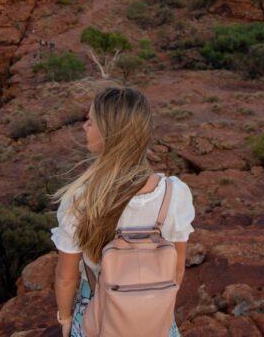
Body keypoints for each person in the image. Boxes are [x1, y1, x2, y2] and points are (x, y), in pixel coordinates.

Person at [50, 86, 195, 336]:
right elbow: (177, 269)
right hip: (155, 313)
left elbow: (66, 276)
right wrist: (150, 306)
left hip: (96, 306)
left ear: (110, 134)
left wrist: (64, 318)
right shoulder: (174, 194)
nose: (85, 127)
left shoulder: (81, 198)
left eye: (91, 121)